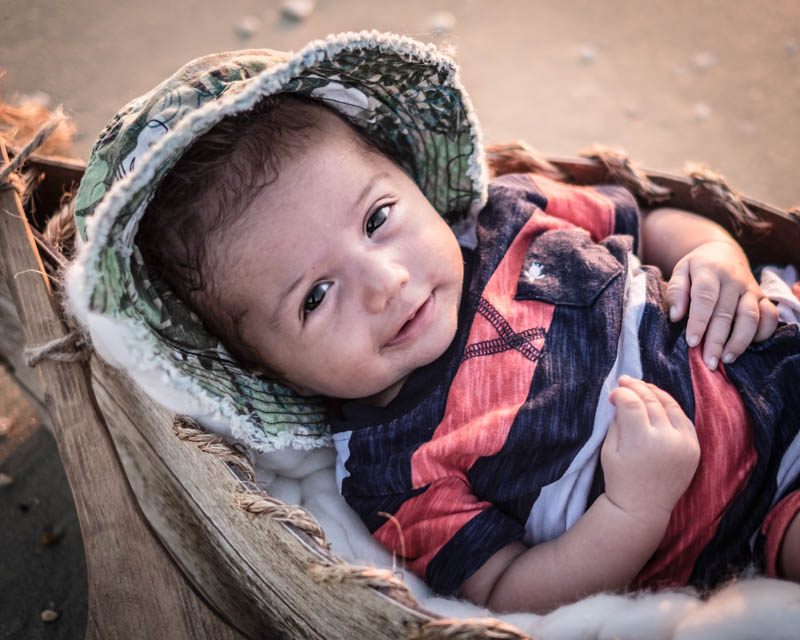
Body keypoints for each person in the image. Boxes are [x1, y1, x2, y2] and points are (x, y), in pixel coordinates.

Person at [70, 34, 800, 615]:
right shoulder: (393, 475)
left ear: (411, 181)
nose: (386, 284)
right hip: (756, 503)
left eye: (379, 218)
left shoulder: (510, 213)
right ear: (265, 367)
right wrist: (634, 507)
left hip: (773, 333)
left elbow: (658, 221)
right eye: (317, 296)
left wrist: (715, 259)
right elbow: (514, 591)